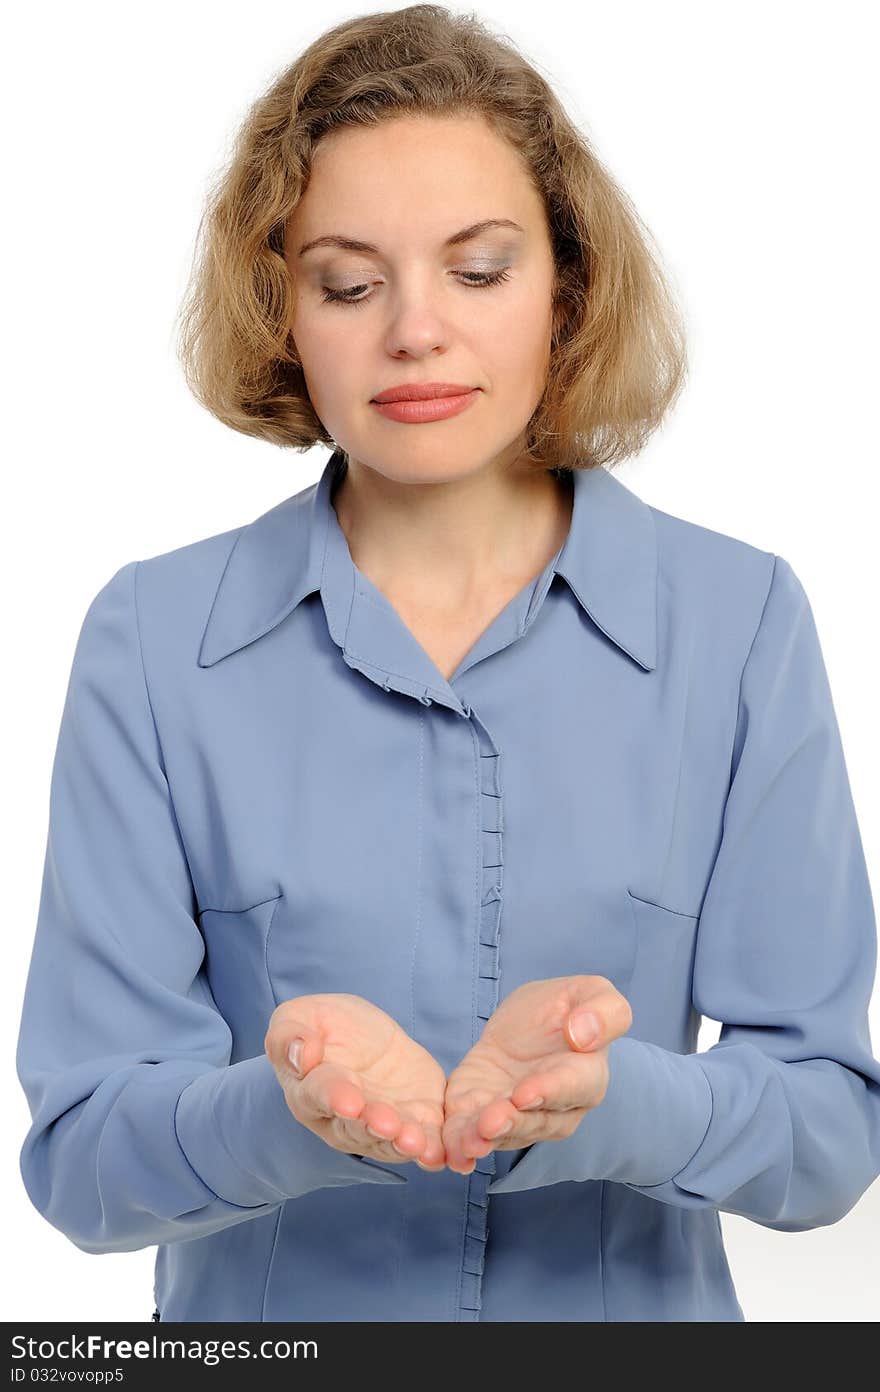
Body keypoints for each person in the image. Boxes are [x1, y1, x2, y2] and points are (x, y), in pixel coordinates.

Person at [16, 4, 880, 1324]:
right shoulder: (152, 641)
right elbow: (82, 1158)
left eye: (478, 270)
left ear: (569, 286)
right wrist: (290, 1113)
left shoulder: (740, 619)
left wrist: (616, 1099)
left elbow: (828, 1130)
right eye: (350, 284)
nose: (415, 331)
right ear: (281, 308)